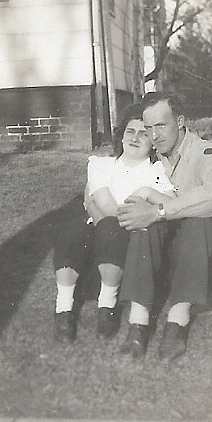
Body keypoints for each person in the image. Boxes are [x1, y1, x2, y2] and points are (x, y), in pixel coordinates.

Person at [117, 92, 212, 363]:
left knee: (199, 219)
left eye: (161, 125)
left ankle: (177, 321)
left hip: (206, 254)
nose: (154, 135)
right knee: (144, 219)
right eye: (149, 128)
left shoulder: (206, 152)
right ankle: (138, 323)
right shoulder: (153, 158)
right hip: (169, 254)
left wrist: (160, 211)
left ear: (180, 122)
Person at [53, 103, 175, 342]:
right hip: (102, 225)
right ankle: (63, 311)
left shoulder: (157, 169)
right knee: (71, 234)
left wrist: (146, 195)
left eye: (143, 133)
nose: (135, 138)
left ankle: (106, 307)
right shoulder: (102, 164)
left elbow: (170, 200)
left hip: (135, 234)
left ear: (152, 141)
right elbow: (106, 204)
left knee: (109, 229)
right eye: (130, 131)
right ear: (121, 136)